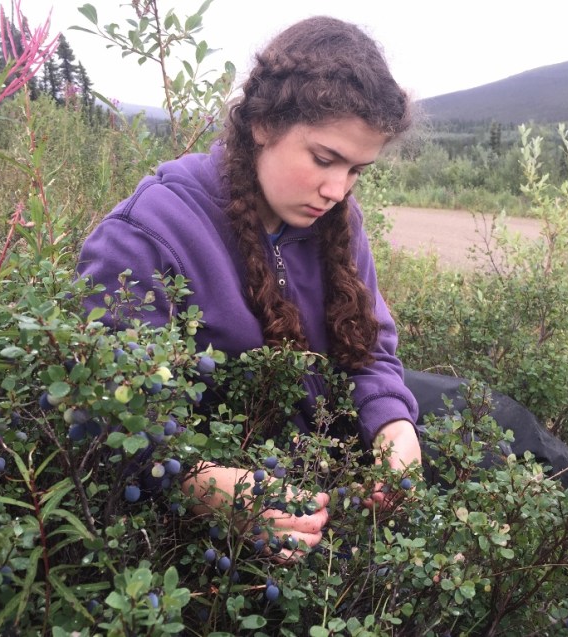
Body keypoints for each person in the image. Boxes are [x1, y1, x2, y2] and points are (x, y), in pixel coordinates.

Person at [76, 16, 420, 561]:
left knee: (507, 425)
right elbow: (108, 422)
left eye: (357, 170)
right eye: (324, 158)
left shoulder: (337, 221)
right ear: (262, 124)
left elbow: (371, 353)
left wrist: (395, 429)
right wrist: (205, 487)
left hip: (328, 441)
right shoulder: (146, 236)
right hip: (246, 472)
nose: (337, 190)